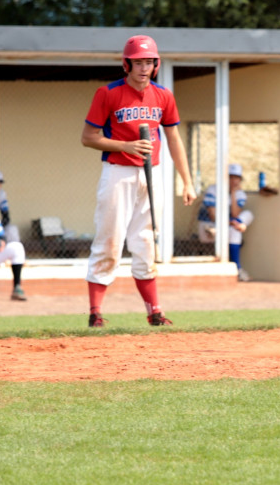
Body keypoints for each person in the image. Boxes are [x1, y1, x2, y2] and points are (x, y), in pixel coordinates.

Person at [80, 34, 197, 327]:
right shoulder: (107, 93)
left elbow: (173, 137)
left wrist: (187, 180)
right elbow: (88, 138)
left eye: (149, 62)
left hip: (152, 172)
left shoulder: (163, 95)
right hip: (118, 172)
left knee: (145, 241)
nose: (143, 68)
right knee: (110, 240)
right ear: (126, 64)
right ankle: (95, 313)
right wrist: (126, 146)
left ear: (156, 64)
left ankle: (154, 311)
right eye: (138, 62)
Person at [197, 163, 255, 281]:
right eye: (231, 177)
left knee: (248, 216)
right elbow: (213, 217)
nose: (233, 180)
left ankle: (236, 269)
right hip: (210, 228)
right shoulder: (213, 190)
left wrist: (233, 192)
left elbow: (235, 214)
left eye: (236, 178)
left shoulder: (240, 194)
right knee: (235, 230)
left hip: (227, 228)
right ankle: (237, 269)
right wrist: (234, 223)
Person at [0, 170, 21, 244]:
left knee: (12, 229)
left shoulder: (1, 194)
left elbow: (6, 216)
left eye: (0, 183)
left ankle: (14, 252)